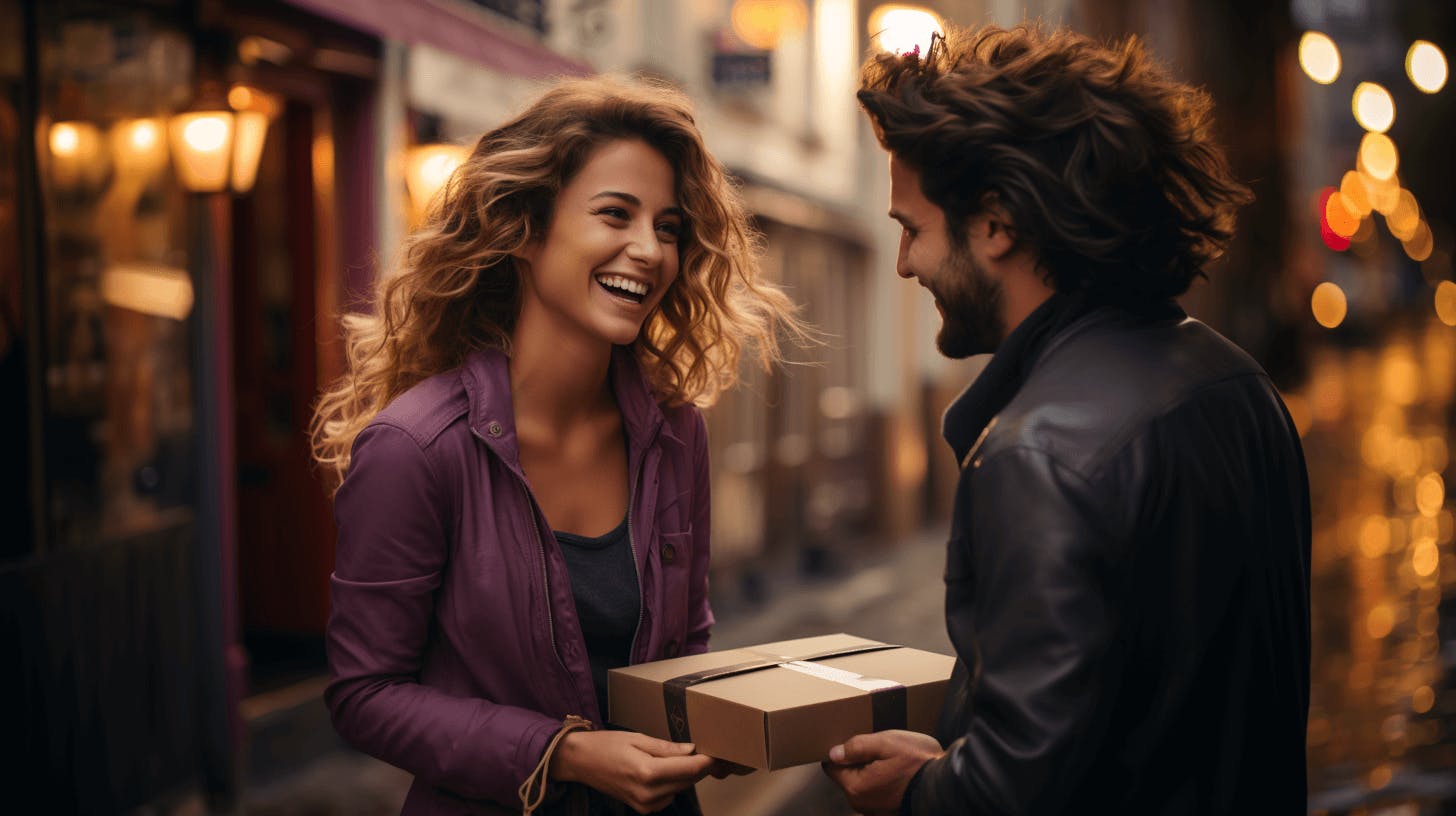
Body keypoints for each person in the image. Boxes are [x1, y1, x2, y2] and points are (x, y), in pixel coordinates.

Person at [823, 24, 1311, 815]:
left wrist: (919, 791)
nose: (905, 264)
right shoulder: (1238, 383)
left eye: (912, 229)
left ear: (996, 222)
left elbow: (1013, 795)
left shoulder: (1037, 454)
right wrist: (953, 756)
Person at [312, 76, 796, 815]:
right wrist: (560, 754)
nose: (649, 250)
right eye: (615, 215)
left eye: (668, 227)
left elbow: (686, 642)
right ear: (527, 231)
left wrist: (711, 729)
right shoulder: (416, 447)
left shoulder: (675, 432)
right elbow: (364, 694)